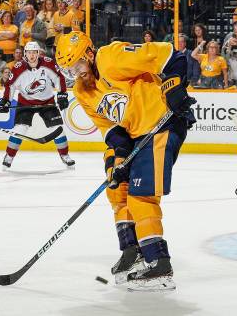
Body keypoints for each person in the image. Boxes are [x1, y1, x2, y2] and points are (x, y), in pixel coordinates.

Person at [54, 31, 196, 291]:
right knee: (116, 188)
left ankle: (159, 263)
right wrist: (116, 160)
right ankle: (133, 249)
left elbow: (169, 55)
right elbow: (110, 129)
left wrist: (174, 87)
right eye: (69, 69)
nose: (76, 73)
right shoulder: (81, 90)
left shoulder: (110, 57)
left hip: (161, 125)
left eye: (78, 65)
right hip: (133, 135)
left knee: (141, 196)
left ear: (89, 53)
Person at [0, 41, 74, 169]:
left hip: (47, 102)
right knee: (19, 130)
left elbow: (58, 77)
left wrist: (62, 94)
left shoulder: (48, 62)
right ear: (25, 54)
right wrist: (5, 100)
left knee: (57, 129)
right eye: (29, 52)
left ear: (39, 53)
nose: (31, 55)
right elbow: (10, 85)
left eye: (34, 52)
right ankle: (9, 156)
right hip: (25, 102)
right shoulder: (18, 67)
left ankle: (65, 155)